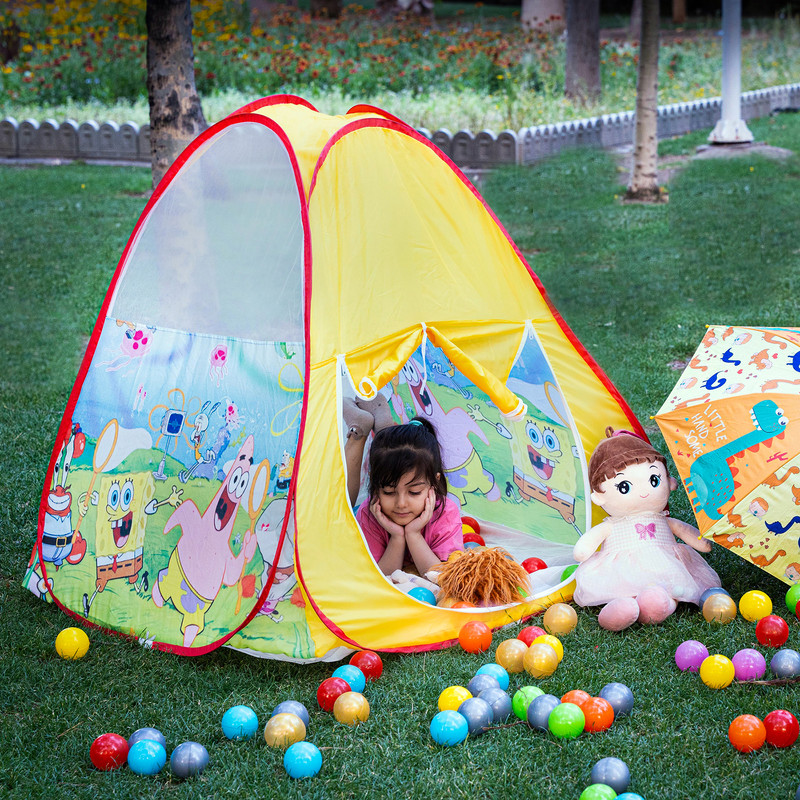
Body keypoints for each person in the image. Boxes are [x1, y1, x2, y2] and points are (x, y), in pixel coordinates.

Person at [573, 427, 720, 631]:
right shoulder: (611, 526)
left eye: (654, 480)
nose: (644, 492)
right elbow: (583, 550)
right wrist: (583, 550)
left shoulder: (664, 521)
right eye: (624, 486)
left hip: (665, 563)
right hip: (621, 569)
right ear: (599, 496)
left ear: (669, 483)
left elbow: (689, 535)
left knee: (667, 589)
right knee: (624, 589)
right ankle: (620, 609)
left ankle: (659, 604)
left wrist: (702, 542)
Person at [354, 416, 463, 576]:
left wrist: (413, 534)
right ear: (375, 486)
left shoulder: (445, 513)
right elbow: (376, 577)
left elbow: (443, 577)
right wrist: (397, 537)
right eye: (389, 492)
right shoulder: (369, 513)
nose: (401, 503)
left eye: (414, 492)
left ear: (434, 482)